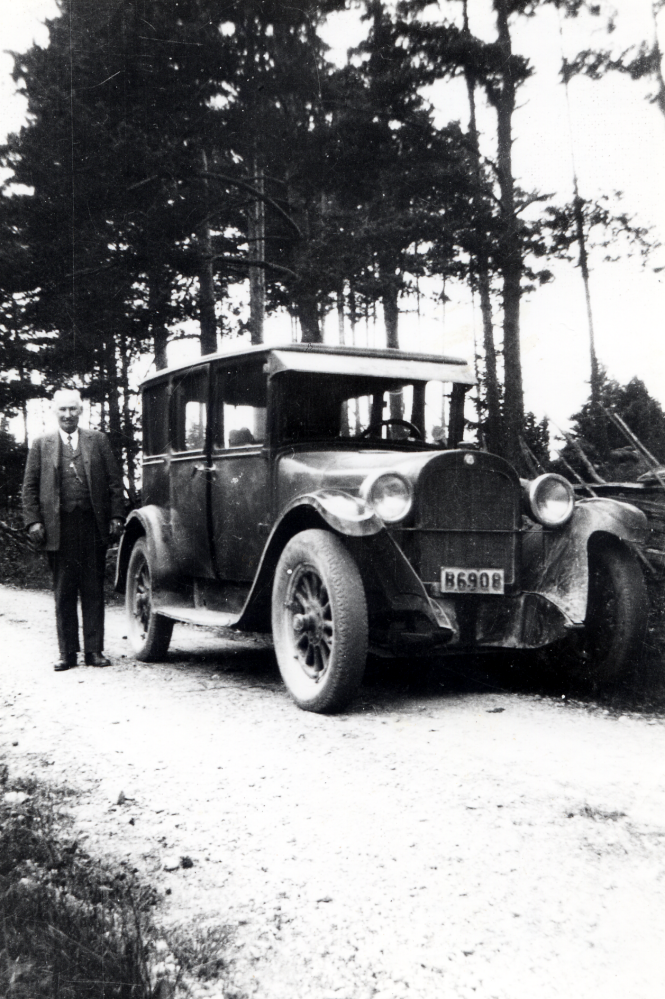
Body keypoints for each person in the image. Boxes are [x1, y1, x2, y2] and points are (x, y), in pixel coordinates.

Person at [22, 389, 125, 671]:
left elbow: (115, 483)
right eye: (62, 410)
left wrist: (116, 515)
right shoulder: (41, 444)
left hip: (92, 525)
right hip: (58, 528)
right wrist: (33, 521)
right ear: (54, 412)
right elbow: (29, 487)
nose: (68, 415)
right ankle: (67, 653)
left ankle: (94, 651)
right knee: (64, 590)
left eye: (72, 409)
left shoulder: (98, 441)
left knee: (93, 588)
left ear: (81, 411)